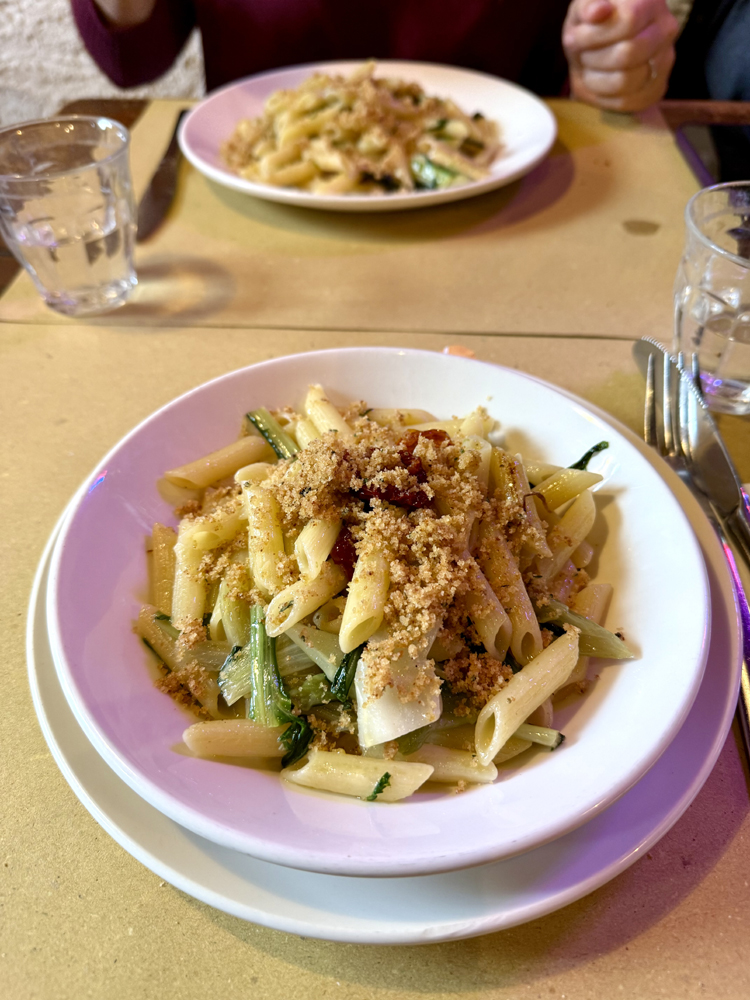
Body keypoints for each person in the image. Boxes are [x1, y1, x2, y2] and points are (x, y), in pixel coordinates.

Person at [71, 0, 679, 113]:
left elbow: (602, 37)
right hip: (254, 215)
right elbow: (132, 60)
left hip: (511, 207)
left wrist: (616, 56)